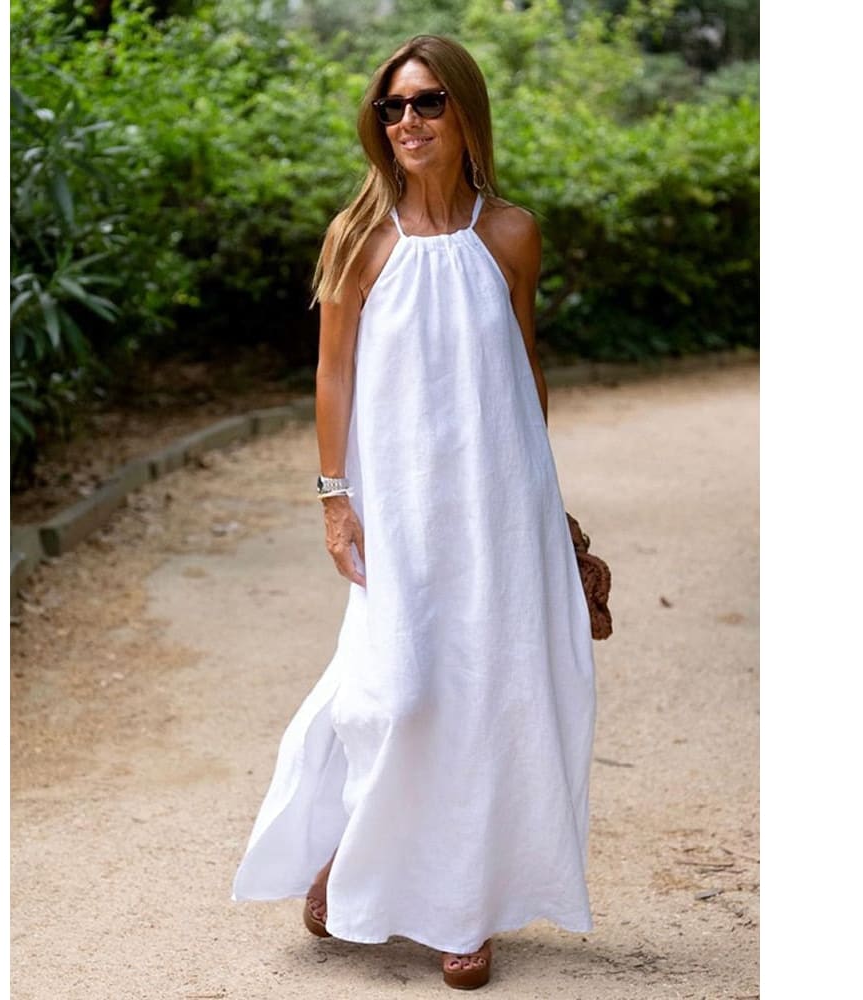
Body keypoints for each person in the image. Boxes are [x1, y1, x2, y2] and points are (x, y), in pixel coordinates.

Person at [231, 35, 597, 991]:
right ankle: (350, 853)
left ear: (464, 111)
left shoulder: (510, 232)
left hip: (500, 504)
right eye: (392, 106)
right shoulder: (359, 235)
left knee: (492, 692)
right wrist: (334, 498)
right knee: (393, 692)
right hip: (399, 504)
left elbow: (523, 364)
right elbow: (333, 374)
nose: (407, 121)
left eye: (428, 101)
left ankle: (462, 911)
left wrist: (546, 508)